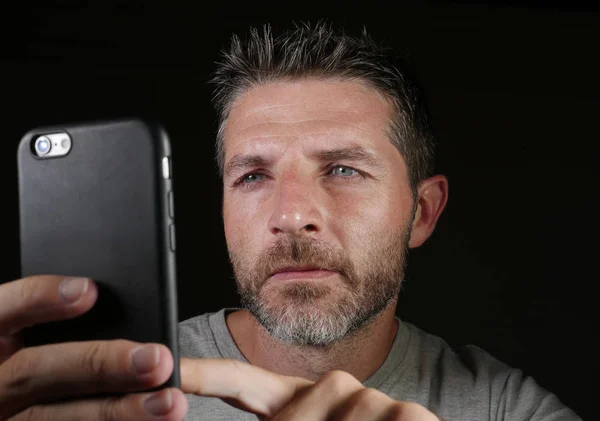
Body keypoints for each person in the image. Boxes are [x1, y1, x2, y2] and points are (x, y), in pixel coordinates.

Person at [0, 21, 581, 421]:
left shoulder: (506, 409)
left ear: (421, 213)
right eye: (252, 176)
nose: (292, 215)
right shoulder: (101, 383)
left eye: (345, 169)